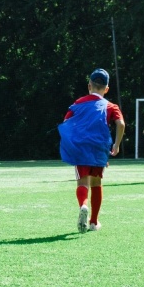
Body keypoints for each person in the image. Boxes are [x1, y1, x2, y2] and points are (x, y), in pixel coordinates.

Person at [59, 68, 126, 232]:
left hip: (81, 149)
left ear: (89, 85)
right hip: (99, 149)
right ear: (107, 89)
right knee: (96, 183)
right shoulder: (110, 106)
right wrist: (116, 145)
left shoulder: (78, 103)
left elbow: (66, 121)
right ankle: (94, 222)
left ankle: (83, 205)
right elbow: (121, 124)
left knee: (82, 181)